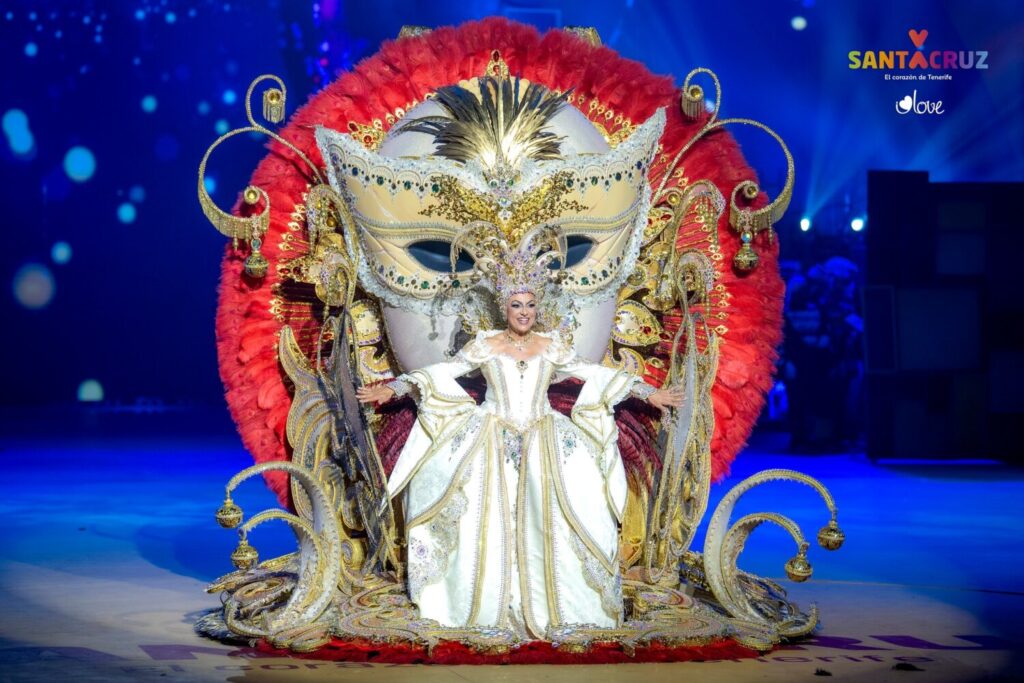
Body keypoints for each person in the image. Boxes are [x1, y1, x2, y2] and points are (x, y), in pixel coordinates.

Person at [357, 234, 684, 637]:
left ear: (537, 307)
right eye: (516, 305)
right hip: (488, 436)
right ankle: (477, 608)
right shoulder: (486, 345)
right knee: (472, 511)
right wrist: (392, 389)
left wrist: (652, 394)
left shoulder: (551, 347)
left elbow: (597, 376)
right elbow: (442, 375)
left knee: (578, 506)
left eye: (530, 304)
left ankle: (563, 609)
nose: (524, 312)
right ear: (504, 307)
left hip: (547, 438)